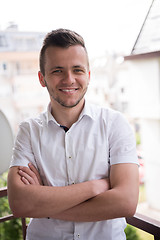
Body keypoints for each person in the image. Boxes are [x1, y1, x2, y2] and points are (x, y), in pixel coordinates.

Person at [7, 28, 139, 240]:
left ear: (88, 75)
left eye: (77, 70)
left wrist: (43, 204)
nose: (69, 79)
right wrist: (95, 186)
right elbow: (20, 204)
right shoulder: (28, 130)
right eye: (57, 71)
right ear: (42, 78)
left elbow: (126, 202)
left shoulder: (115, 124)